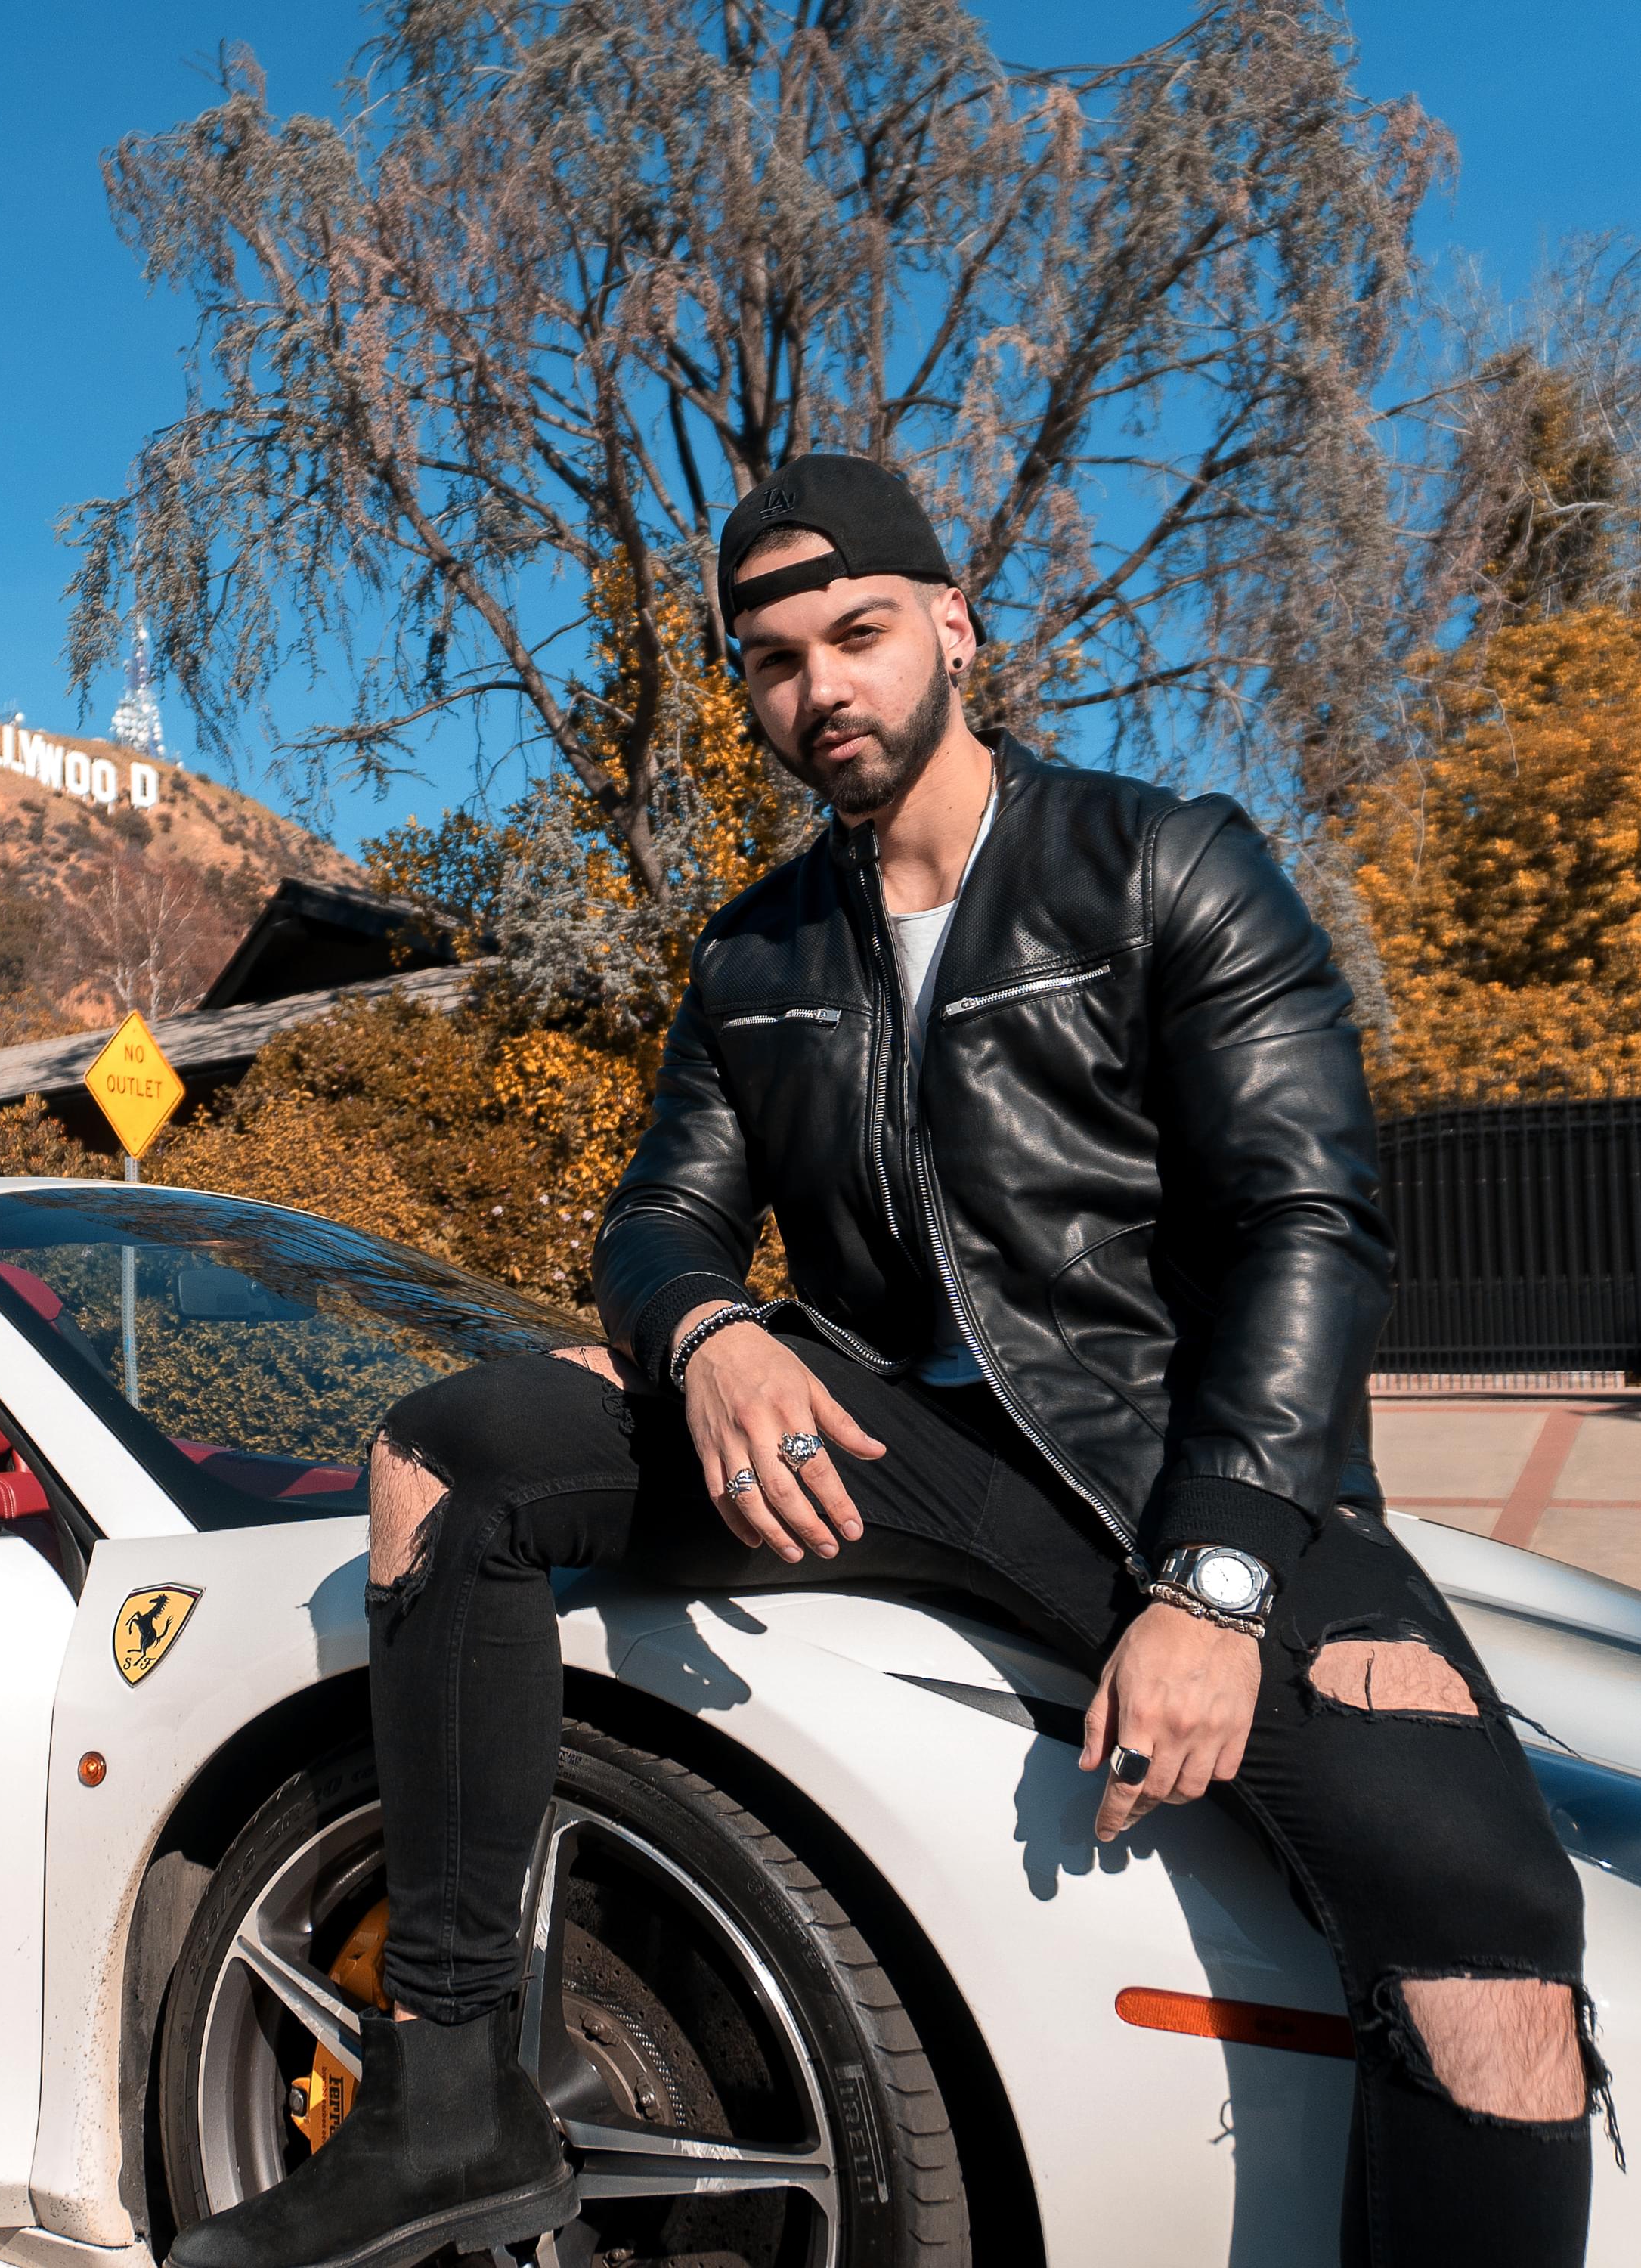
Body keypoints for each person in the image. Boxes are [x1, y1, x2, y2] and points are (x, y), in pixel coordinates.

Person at [169, 456, 1608, 2268]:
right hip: (880, 1449)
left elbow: (1306, 1228)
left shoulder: (1165, 863)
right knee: (445, 1458)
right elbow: (659, 1220)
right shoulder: (752, 954)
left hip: (1170, 1454)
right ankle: (446, 2100)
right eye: (774, 662)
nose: (821, 690)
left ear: (954, 627)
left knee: (1490, 1952)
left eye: (856, 635)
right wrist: (709, 1335)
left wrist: (1218, 1582)